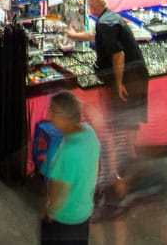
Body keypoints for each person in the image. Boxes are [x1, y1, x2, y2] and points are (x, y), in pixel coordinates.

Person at [65, 0, 148, 198]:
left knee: (124, 119)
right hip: (136, 73)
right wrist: (75, 36)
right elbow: (96, 37)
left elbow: (118, 55)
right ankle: (128, 161)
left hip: (129, 77)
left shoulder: (105, 23)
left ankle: (126, 165)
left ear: (92, 7)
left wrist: (118, 83)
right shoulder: (109, 18)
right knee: (130, 118)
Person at [41, 90, 100, 244]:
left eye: (52, 111)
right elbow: (97, 166)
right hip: (84, 212)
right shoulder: (89, 133)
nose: (49, 115)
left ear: (64, 116)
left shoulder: (68, 150)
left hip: (64, 219)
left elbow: (60, 188)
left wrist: (50, 212)